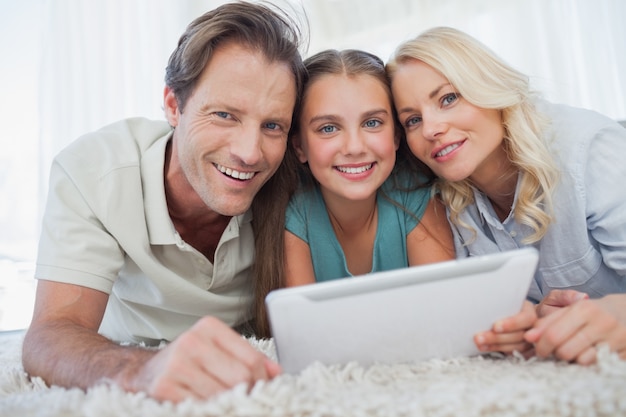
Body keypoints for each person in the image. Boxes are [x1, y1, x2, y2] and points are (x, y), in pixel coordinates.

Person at [22, 1, 306, 403]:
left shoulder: (294, 179)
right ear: (173, 106)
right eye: (225, 115)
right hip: (133, 350)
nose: (250, 152)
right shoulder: (93, 171)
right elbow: (50, 334)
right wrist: (142, 368)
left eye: (272, 125)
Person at [385, 26, 626, 364]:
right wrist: (531, 319)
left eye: (448, 98)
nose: (430, 129)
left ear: (488, 87)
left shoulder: (589, 151)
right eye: (412, 120)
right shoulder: (447, 200)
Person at [284, 49, 454, 285]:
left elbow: (443, 305)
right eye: (328, 128)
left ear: (396, 135)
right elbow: (300, 320)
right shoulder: (294, 213)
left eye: (372, 123)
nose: (354, 148)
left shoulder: (414, 196)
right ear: (299, 146)